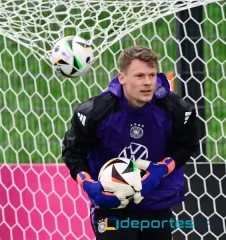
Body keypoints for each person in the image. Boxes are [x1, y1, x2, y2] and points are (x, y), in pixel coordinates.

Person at [62, 46, 199, 240]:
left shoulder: (176, 109)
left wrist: (161, 169)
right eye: (139, 76)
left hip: (156, 204)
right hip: (112, 206)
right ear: (122, 78)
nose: (147, 82)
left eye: (152, 75)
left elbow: (186, 146)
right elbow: (73, 152)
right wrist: (88, 184)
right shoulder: (94, 112)